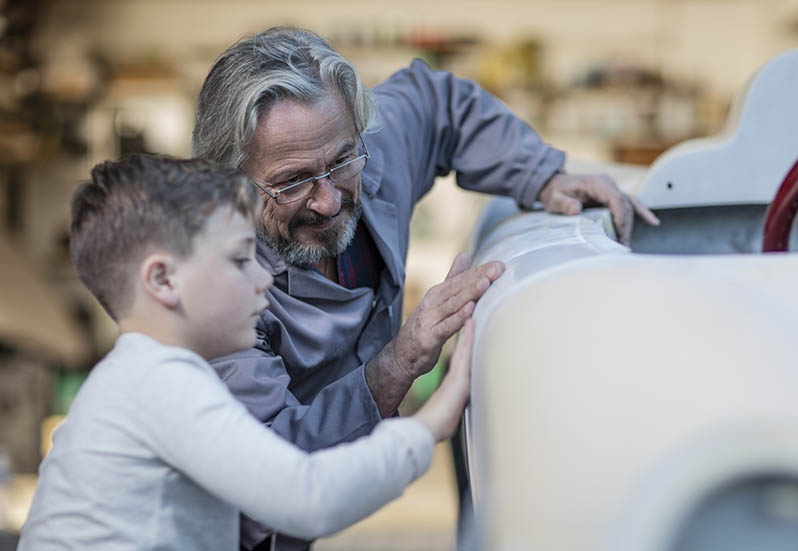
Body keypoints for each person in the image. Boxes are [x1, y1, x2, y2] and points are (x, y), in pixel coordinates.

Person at [191, 26, 659, 550]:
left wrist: (540, 175)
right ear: (229, 183)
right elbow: (271, 479)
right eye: (292, 182)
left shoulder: (365, 152)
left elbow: (439, 105)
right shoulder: (215, 293)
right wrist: (400, 361)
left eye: (341, 163)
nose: (326, 201)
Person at [17, 155, 476, 550]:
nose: (262, 281)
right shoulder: (159, 382)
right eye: (239, 260)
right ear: (162, 281)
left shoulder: (144, 377)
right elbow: (308, 497)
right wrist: (433, 421)